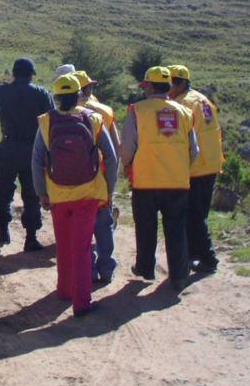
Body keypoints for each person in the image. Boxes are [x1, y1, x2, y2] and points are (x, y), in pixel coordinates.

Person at [32, 74, 118, 316]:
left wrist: (42, 193)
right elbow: (110, 158)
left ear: (57, 97)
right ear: (79, 95)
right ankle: (82, 303)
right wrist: (109, 189)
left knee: (64, 246)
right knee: (81, 248)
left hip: (58, 194)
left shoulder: (46, 122)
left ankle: (64, 291)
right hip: (88, 194)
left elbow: (37, 160)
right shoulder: (94, 120)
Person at [119, 66, 198, 292]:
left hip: (146, 182)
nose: (144, 90)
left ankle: (145, 268)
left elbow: (127, 146)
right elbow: (194, 151)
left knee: (145, 227)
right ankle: (179, 276)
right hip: (177, 183)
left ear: (151, 86)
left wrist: (127, 165)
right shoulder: (185, 113)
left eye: (145, 86)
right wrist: (181, 169)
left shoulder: (137, 111)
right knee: (176, 229)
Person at [0, 50, 54, 250]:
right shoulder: (41, 93)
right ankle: (31, 238)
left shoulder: (2, 91)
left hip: (9, 147)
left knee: (2, 191)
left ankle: (3, 232)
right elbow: (52, 122)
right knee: (32, 193)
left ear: (14, 73)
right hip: (34, 148)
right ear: (31, 74)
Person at [168, 64, 224, 274]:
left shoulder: (184, 104)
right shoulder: (203, 99)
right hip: (211, 163)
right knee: (199, 213)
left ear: (182, 82)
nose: (168, 86)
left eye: (171, 82)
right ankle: (193, 253)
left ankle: (209, 259)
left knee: (194, 215)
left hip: (196, 166)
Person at [74, 70, 121, 284]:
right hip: (101, 180)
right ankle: (106, 268)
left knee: (81, 232)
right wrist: (111, 186)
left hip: (74, 183)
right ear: (89, 88)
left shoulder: (62, 113)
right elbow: (115, 150)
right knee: (104, 228)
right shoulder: (105, 112)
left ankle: (88, 271)